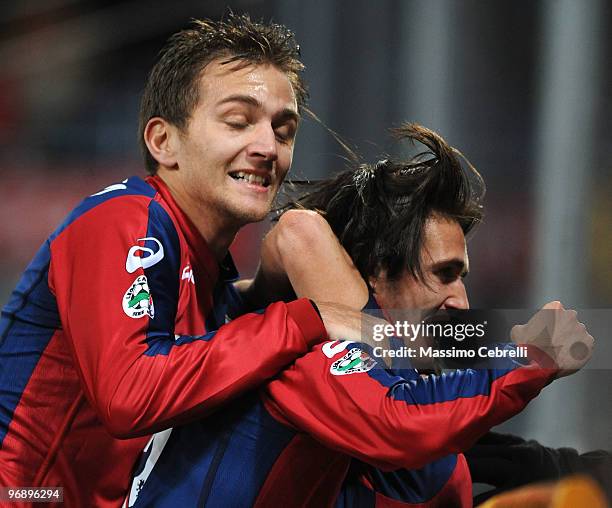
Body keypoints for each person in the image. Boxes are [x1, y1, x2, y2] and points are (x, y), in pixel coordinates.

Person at [0, 14, 367, 507]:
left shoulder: (207, 272)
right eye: (238, 121)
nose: (267, 148)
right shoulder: (123, 219)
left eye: (284, 130)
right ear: (162, 142)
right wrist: (303, 319)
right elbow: (128, 394)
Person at [126, 124, 594, 507]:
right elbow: (400, 422)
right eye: (444, 274)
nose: (460, 301)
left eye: (462, 277)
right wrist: (530, 355)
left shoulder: (398, 388)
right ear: (374, 276)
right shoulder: (304, 357)